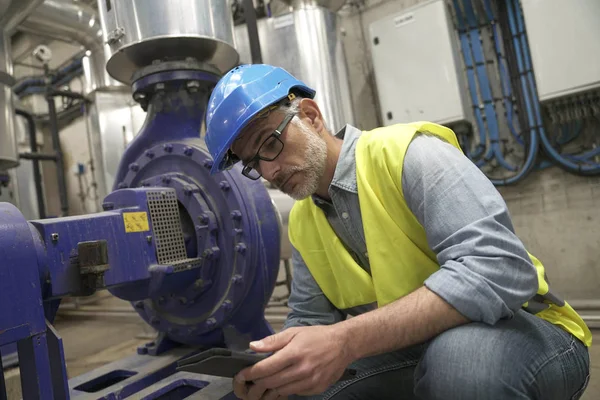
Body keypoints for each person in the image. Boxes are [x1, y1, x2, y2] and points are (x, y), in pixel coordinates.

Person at [204, 64, 592, 400]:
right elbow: (310, 319)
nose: (269, 172)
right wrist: (279, 368)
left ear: (310, 115)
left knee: (460, 363)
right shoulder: (305, 221)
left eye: (269, 144)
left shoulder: (408, 154)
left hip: (528, 333)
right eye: (253, 164)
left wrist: (346, 339)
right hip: (417, 349)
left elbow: (500, 269)